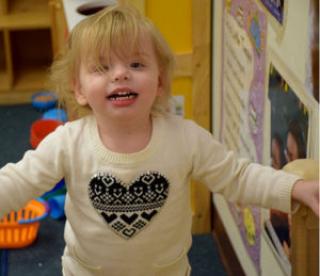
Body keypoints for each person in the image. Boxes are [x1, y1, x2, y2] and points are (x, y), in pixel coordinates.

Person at [0, 4, 318, 276]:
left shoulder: (185, 138)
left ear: (160, 81)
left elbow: (237, 176)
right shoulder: (67, 142)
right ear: (79, 89)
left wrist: (292, 188)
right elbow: (19, 181)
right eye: (102, 67)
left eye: (136, 64)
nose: (121, 74)